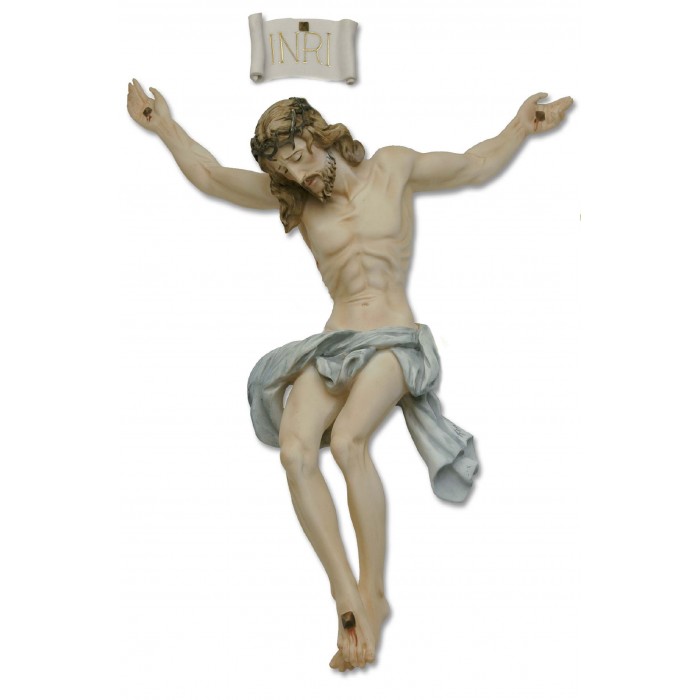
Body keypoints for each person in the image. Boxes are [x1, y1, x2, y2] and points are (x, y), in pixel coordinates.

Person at [127, 81, 573, 671]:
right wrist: (162, 124)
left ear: (319, 135)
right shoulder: (296, 197)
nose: (298, 175)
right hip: (338, 339)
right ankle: (346, 596)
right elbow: (212, 176)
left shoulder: (392, 168)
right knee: (294, 449)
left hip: (395, 339)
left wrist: (522, 126)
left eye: (299, 157)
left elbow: (473, 165)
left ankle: (375, 593)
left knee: (346, 440)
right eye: (284, 169)